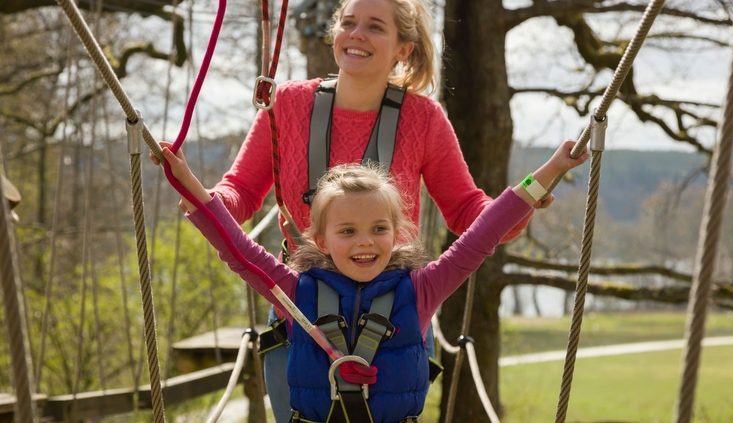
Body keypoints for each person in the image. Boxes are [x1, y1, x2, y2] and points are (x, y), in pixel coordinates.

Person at [207, 0, 553, 419]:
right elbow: (241, 190)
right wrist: (206, 202)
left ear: (403, 48)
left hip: (395, 313)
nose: (356, 35)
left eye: (374, 27)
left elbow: (466, 211)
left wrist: (519, 207)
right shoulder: (287, 104)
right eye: (348, 23)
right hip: (301, 304)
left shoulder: (423, 118)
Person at [153, 138, 588, 423]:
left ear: (397, 233)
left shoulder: (419, 290)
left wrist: (548, 171)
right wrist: (189, 182)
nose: (366, 242)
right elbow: (238, 251)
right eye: (347, 231)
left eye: (379, 228)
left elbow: (482, 236)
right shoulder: (294, 291)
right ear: (320, 239)